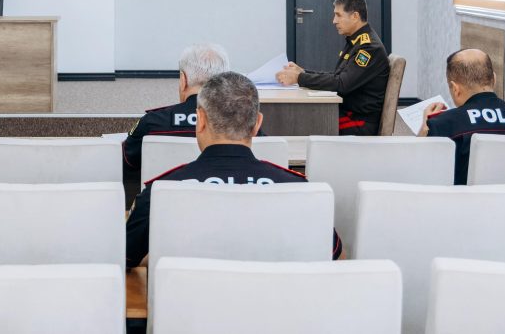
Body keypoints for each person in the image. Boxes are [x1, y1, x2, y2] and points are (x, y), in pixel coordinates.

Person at [125, 72, 341, 268]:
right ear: (257, 124)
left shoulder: (160, 192)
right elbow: (335, 258)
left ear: (200, 120)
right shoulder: (299, 189)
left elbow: (125, 259)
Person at [419, 48, 505, 184]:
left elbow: (422, 174)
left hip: (464, 198)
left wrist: (424, 129)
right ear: (494, 79)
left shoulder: (442, 125)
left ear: (455, 88)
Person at [276, 0, 389, 135]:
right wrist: (303, 72)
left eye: (338, 15)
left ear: (355, 16)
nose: (334, 21)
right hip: (347, 111)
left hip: (359, 121)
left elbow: (342, 84)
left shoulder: (369, 48)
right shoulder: (356, 41)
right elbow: (338, 76)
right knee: (300, 116)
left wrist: (299, 78)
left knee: (302, 120)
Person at [122, 43, 229, 171]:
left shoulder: (152, 122)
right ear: (225, 82)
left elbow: (127, 162)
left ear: (183, 80)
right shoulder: (242, 125)